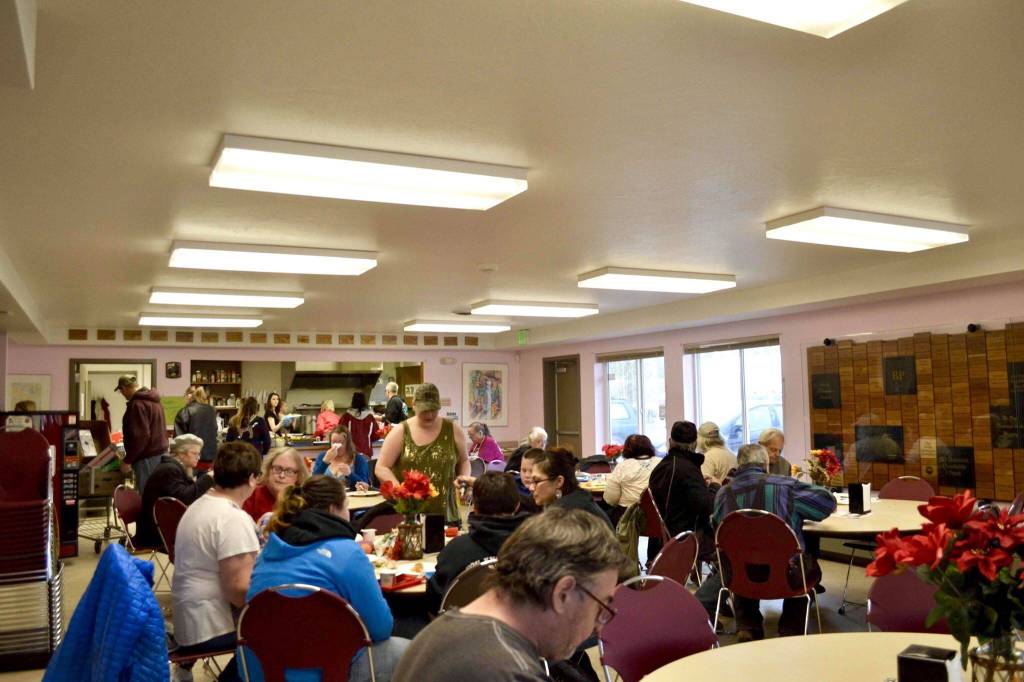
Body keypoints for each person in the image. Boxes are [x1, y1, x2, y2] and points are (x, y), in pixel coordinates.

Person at [394, 508, 626, 682]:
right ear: (562, 594)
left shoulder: (442, 631)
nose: (598, 627)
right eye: (600, 608)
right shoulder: (510, 671)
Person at [246, 476, 409, 682]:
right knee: (412, 652)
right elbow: (381, 629)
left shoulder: (267, 553)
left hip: (264, 671)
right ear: (333, 509)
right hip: (329, 672)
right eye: (346, 507)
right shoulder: (347, 552)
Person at [695, 443, 837, 641]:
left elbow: (719, 531)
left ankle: (748, 626)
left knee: (741, 557)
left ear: (739, 464)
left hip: (740, 576)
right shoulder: (786, 487)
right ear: (766, 464)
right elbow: (827, 503)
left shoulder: (722, 494)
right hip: (786, 576)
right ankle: (790, 629)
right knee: (806, 563)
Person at [171, 441, 262, 682]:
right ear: (252, 479)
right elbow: (239, 592)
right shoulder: (232, 518)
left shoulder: (199, 506)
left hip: (189, 620)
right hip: (208, 628)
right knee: (282, 628)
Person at [427, 472, 530, 612]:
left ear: (474, 507)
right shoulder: (534, 548)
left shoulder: (456, 550)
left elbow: (434, 600)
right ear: (517, 506)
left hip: (460, 624)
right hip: (519, 622)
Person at [376, 384, 469, 523]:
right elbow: (381, 467)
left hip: (448, 514)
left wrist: (464, 481)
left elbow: (464, 461)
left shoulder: (453, 430)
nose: (429, 415)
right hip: (411, 516)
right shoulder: (400, 432)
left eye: (433, 410)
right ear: (413, 406)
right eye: (424, 410)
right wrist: (400, 491)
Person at [648, 421, 718, 559]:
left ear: (670, 442)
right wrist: (714, 486)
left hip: (659, 540)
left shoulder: (660, 468)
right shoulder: (688, 470)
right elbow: (707, 507)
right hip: (686, 538)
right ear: (695, 444)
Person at [137, 434, 215, 548]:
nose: (198, 457)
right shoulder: (169, 470)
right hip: (157, 533)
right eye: (194, 453)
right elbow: (184, 498)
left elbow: (184, 493)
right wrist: (208, 478)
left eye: (199, 454)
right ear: (180, 453)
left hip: (162, 525)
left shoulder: (173, 467)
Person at [529, 449, 612, 529]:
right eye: (531, 481)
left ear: (559, 482)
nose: (531, 488)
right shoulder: (578, 498)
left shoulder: (566, 513)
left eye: (536, 481)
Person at [116, 374, 168, 494]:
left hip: (146, 458)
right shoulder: (156, 402)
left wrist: (127, 460)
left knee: (147, 494)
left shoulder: (137, 405)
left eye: (121, 391)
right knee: (157, 494)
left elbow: (140, 437)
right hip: (160, 455)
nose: (122, 394)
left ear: (124, 388)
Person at [242, 447, 310, 523]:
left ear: (298, 476)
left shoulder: (303, 499)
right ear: (268, 469)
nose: (281, 476)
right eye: (277, 469)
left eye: (289, 471)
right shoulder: (252, 494)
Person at [603, 434, 658, 515]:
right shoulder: (661, 462)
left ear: (627, 449)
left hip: (627, 514)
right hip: (656, 514)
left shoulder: (622, 466)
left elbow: (611, 499)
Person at [311, 424, 370, 490]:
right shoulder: (323, 457)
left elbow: (365, 485)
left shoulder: (358, 459)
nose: (337, 446)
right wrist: (325, 462)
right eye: (334, 442)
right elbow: (313, 482)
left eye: (341, 442)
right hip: (326, 494)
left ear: (347, 443)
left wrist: (350, 474)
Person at [174, 386, 218, 462]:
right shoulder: (211, 410)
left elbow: (179, 440)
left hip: (192, 458)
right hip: (211, 457)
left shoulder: (184, 412)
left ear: (189, 396)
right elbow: (215, 431)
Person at [342, 392, 379, 459]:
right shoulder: (370, 417)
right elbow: (376, 435)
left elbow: (340, 434)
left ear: (353, 401)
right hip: (366, 452)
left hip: (350, 453)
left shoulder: (346, 417)